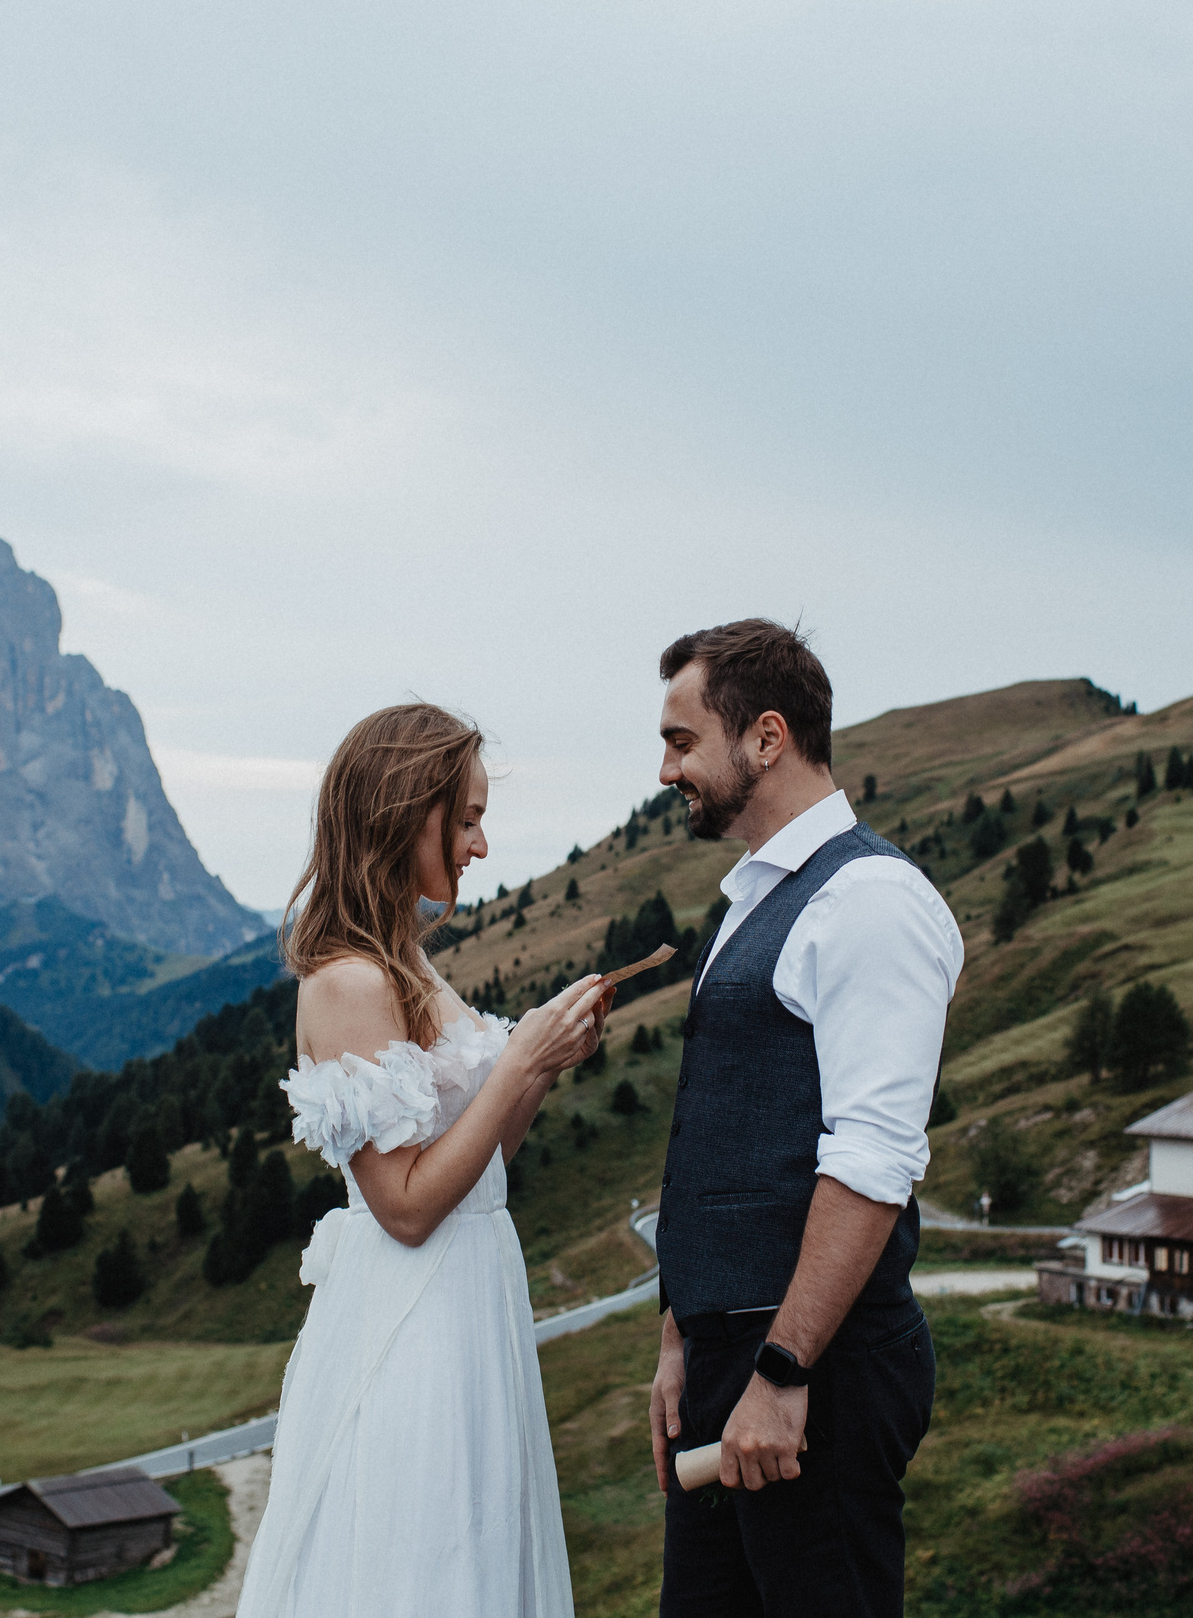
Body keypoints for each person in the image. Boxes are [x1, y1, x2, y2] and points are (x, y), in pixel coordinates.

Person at [236, 703, 610, 1618]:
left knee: (475, 1552)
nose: (481, 844)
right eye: (468, 818)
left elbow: (480, 1165)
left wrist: (542, 1069)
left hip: (469, 1295)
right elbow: (403, 1204)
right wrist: (515, 1059)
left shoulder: (407, 958)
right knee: (424, 1560)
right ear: (407, 813)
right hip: (415, 1317)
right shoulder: (351, 980)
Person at [647, 620, 962, 1618]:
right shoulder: (755, 896)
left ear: (767, 738)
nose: (666, 769)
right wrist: (678, 1340)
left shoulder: (869, 900)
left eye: (682, 740)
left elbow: (870, 1160)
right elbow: (718, 1140)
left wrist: (784, 1370)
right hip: (725, 1357)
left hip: (810, 1369)